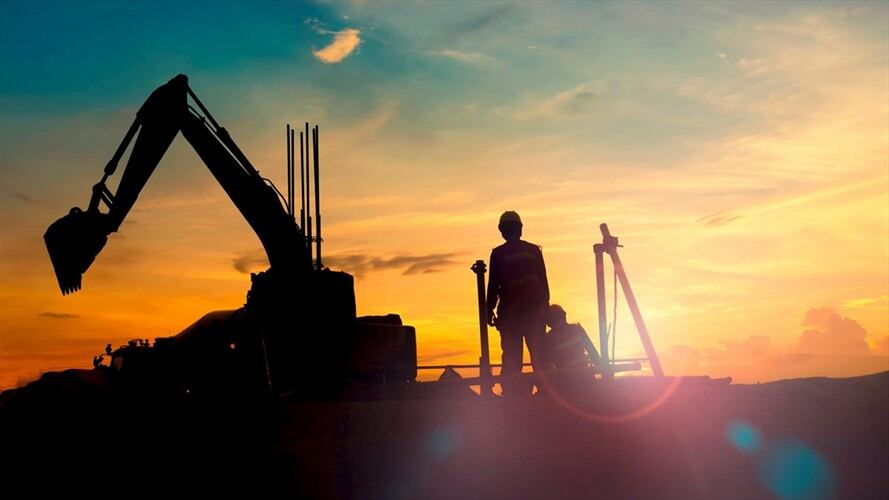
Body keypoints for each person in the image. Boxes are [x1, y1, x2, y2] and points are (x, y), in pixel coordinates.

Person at [486, 211, 549, 396]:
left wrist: (488, 310)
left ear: (502, 230)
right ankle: (546, 392)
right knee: (540, 355)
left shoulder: (498, 254)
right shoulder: (533, 251)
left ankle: (513, 394)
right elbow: (544, 285)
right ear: (520, 228)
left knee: (513, 358)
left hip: (512, 316)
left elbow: (493, 286)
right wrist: (543, 309)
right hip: (534, 314)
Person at [544, 304, 601, 371]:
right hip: (583, 374)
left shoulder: (550, 338)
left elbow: (548, 362)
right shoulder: (577, 329)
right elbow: (593, 353)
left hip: (569, 377)